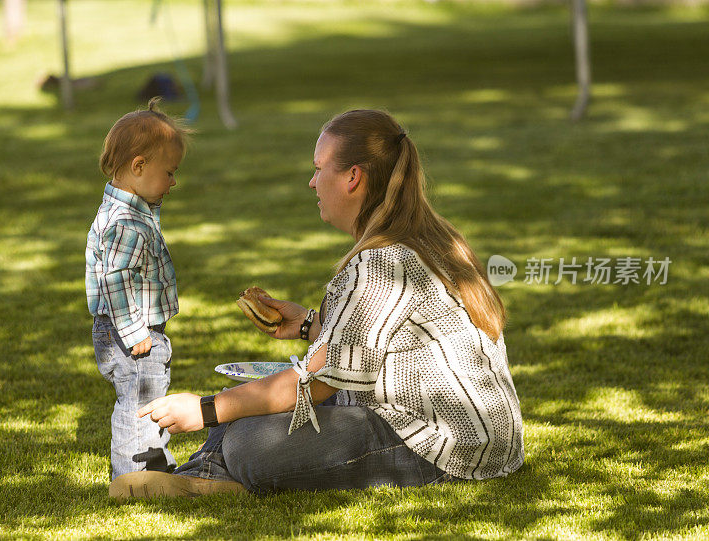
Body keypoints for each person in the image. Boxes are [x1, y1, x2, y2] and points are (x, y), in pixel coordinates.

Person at [108, 109, 524, 499]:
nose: (311, 181)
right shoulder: (433, 237)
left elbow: (319, 380)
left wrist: (204, 409)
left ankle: (209, 473)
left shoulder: (379, 262)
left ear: (353, 177)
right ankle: (205, 475)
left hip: (446, 447)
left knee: (252, 439)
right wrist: (310, 324)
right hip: (483, 437)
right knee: (248, 404)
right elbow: (380, 345)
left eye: (319, 168)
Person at [86, 98, 188, 480]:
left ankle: (154, 463)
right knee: (140, 400)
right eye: (169, 172)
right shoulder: (126, 222)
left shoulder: (129, 208)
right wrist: (133, 332)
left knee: (150, 394)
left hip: (134, 330)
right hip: (130, 331)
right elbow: (114, 280)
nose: (173, 181)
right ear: (139, 166)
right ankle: (133, 476)